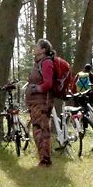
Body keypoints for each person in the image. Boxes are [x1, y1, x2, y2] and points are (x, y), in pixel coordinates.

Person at [25, 38, 56, 167]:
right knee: (37, 130)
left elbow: (48, 83)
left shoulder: (46, 63)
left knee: (41, 131)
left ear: (43, 50)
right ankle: (43, 159)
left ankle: (45, 160)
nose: (34, 48)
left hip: (42, 103)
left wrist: (35, 89)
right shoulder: (38, 63)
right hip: (35, 103)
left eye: (37, 46)